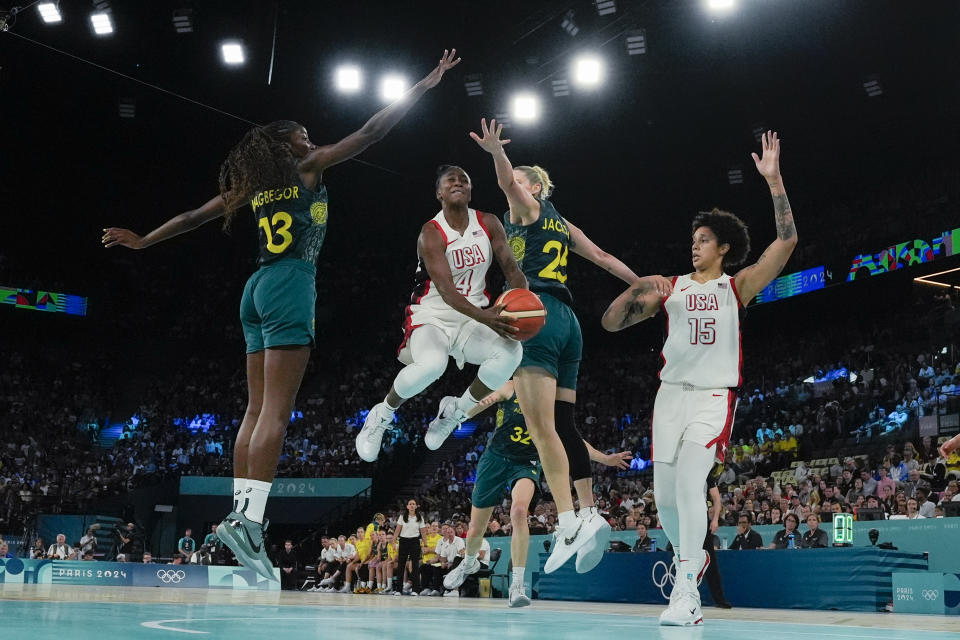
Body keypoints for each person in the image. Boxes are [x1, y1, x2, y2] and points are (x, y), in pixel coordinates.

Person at [103, 50, 462, 582]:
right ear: (285, 145)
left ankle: (240, 515)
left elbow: (193, 216)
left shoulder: (254, 186)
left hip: (256, 287)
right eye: (303, 134)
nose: (312, 140)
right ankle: (250, 521)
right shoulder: (306, 168)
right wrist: (422, 86)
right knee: (276, 411)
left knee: (254, 410)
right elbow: (369, 132)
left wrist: (144, 240)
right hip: (292, 281)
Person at [602, 131, 797, 626]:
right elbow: (609, 322)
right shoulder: (671, 288)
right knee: (665, 498)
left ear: (724, 247)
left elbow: (787, 241)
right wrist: (641, 289)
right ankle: (692, 555)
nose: (694, 247)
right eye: (692, 241)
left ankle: (686, 586)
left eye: (703, 240)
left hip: (713, 397)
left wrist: (774, 183)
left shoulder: (739, 285)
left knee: (691, 483)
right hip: (669, 399)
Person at [466, 118, 659, 575]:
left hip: (536, 316)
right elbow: (606, 259)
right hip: (569, 323)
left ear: (533, 186)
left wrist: (496, 151)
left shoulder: (527, 208)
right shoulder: (563, 224)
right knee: (564, 422)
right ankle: (588, 511)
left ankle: (569, 522)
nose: (513, 190)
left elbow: (505, 178)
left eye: (521, 183)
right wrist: (646, 286)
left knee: (541, 428)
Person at [355, 163, 527, 462]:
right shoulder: (431, 233)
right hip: (431, 315)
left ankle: (455, 411)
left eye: (464, 179)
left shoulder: (488, 222)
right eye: (451, 180)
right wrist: (486, 316)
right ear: (439, 193)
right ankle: (382, 413)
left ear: (471, 190)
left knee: (512, 352)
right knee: (433, 365)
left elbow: (512, 270)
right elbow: (447, 292)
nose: (458, 182)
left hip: (472, 317)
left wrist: (524, 303)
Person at [441, 381, 631, 606]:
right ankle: (469, 562)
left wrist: (605, 458)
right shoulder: (510, 387)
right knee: (475, 530)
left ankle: (518, 585)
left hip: (527, 463)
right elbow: (486, 400)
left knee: (519, 511)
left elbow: (574, 442)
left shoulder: (550, 401)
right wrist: (460, 413)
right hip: (495, 460)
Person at [395, 499, 428, 595]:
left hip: (415, 541)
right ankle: (398, 590)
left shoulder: (420, 517)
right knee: (401, 565)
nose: (412, 505)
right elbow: (397, 530)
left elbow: (423, 532)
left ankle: (415, 590)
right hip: (403, 541)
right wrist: (393, 541)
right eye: (410, 504)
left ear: (416, 506)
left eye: (414, 504)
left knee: (415, 566)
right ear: (407, 506)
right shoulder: (402, 517)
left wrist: (425, 544)